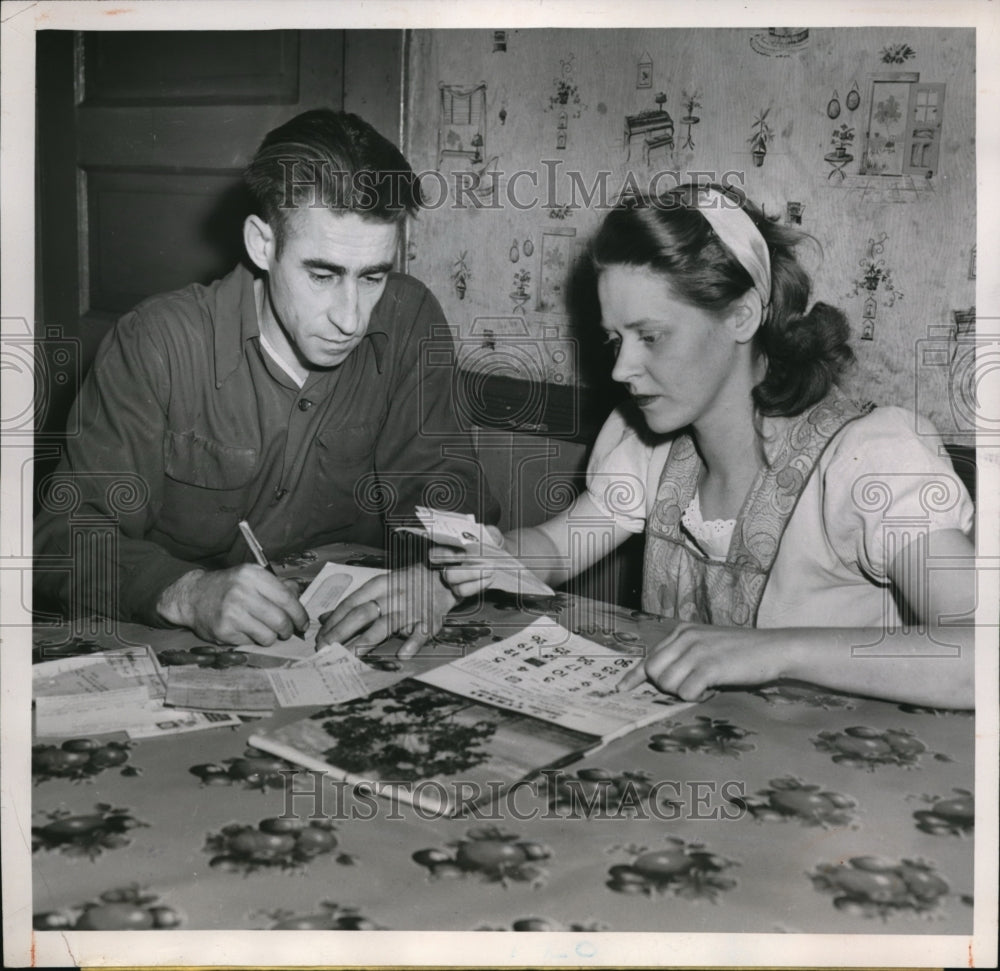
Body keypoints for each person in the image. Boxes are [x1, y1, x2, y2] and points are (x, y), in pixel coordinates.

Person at [439, 182, 976, 709]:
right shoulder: (647, 444)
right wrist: (479, 562)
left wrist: (779, 652)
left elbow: (982, 658)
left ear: (742, 315)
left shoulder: (871, 461)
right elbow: (556, 550)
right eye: (615, 339)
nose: (623, 369)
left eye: (650, 336)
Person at [34, 108, 497, 653]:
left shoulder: (409, 317)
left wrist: (438, 575)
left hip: (352, 646)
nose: (351, 317)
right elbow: (61, 539)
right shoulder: (156, 343)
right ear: (262, 244)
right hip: (175, 645)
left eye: (373, 276)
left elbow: (447, 490)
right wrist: (186, 592)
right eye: (322, 275)